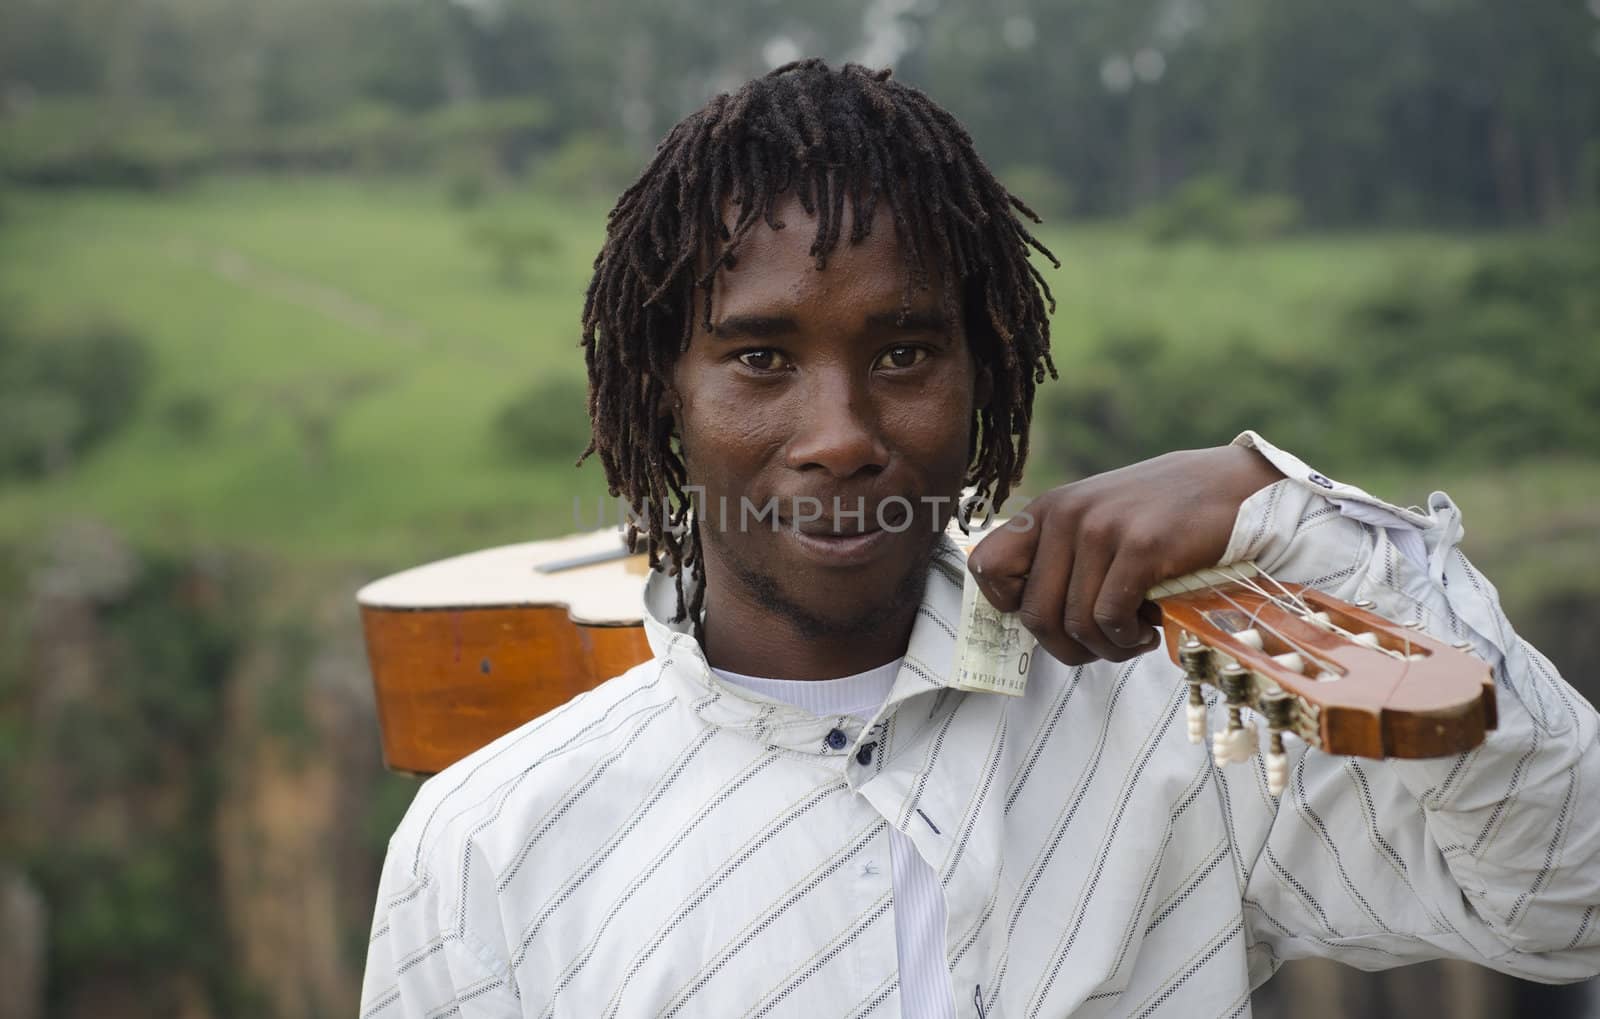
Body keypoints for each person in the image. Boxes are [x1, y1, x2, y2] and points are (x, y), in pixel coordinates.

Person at [359, 61, 1600, 1017]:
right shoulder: (488, 841)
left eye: (903, 352)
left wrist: (1284, 508)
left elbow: (1568, 901)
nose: (839, 434)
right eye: (759, 357)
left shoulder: (1175, 729)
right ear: (659, 393)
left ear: (988, 375)